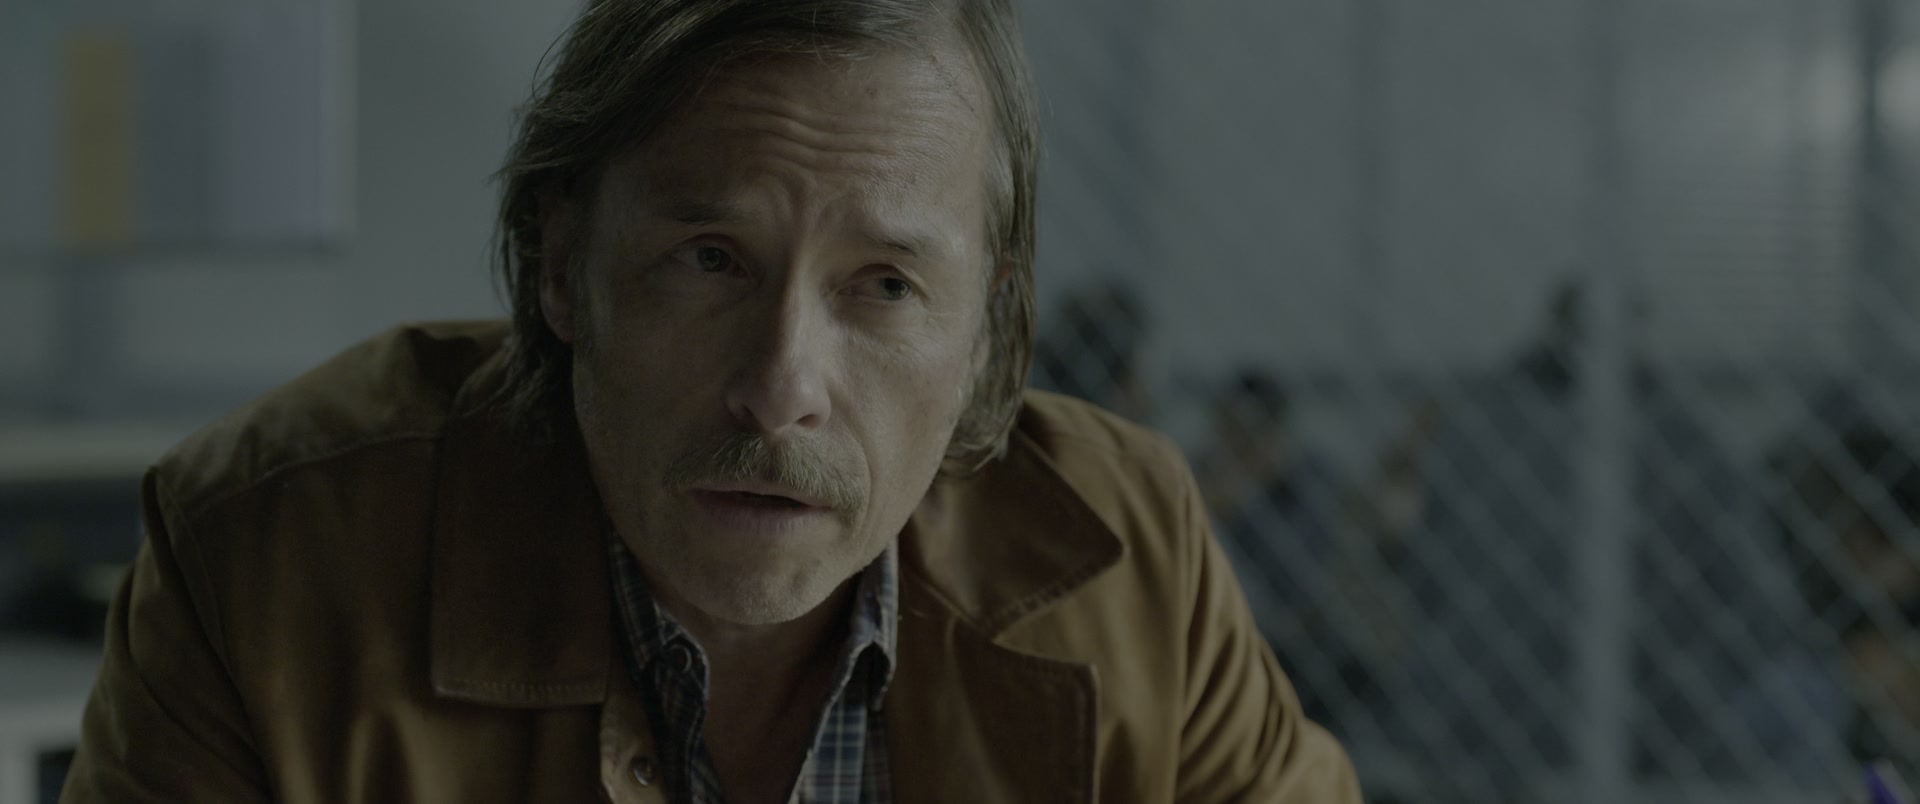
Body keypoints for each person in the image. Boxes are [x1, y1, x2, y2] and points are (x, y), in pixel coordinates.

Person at [58, 1, 1359, 802]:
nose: (782, 389)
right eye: (710, 260)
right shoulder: (263, 563)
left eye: (886, 285)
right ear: (564, 264)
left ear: (985, 328)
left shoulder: (1128, 554)